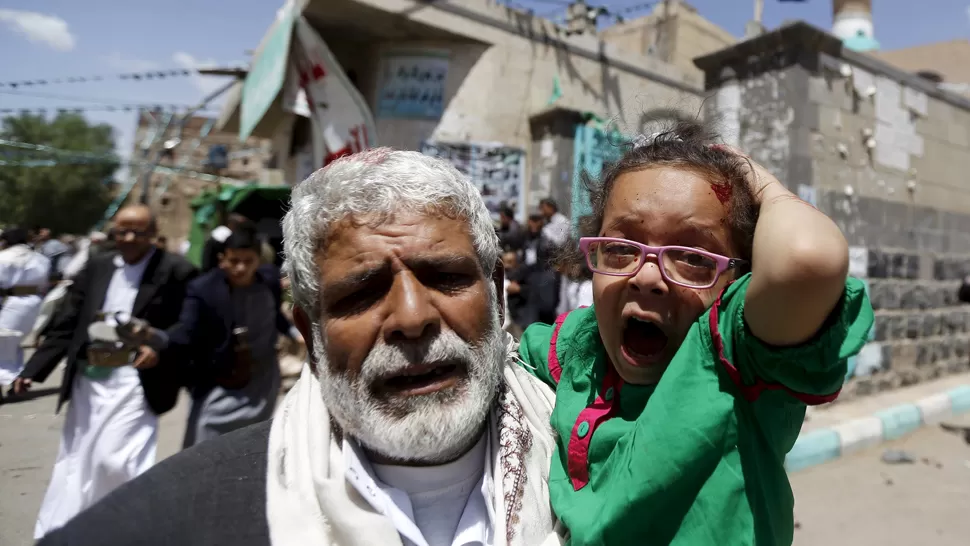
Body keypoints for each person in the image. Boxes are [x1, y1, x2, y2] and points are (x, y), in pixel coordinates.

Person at [37, 148, 565, 546]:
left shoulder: (598, 469)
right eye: (361, 292)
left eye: (445, 277)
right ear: (310, 334)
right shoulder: (171, 519)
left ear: (497, 296)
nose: (411, 319)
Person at [517, 121, 874, 545]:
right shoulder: (581, 341)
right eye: (621, 248)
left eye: (690, 256)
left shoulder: (737, 353)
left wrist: (759, 182)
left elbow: (806, 258)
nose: (647, 276)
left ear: (742, 279)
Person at [15, 205, 197, 539]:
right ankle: (62, 532)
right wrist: (32, 370)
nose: (128, 238)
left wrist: (158, 347)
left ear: (153, 233)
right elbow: (68, 322)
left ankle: (120, 531)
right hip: (90, 378)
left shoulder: (176, 270)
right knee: (76, 458)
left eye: (138, 232)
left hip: (134, 382)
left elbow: (188, 325)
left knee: (117, 461)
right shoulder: (97, 265)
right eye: (121, 231)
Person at [168, 227, 302, 447]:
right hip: (223, 381)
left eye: (248, 261)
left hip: (262, 381)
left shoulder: (267, 281)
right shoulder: (205, 289)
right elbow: (186, 330)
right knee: (204, 442)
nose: (240, 268)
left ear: (258, 259)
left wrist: (294, 333)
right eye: (234, 261)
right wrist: (158, 340)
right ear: (223, 259)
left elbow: (275, 316)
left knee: (251, 442)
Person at [0, 227, 51, 402]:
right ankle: (17, 380)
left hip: (10, 304)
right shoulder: (40, 258)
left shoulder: (5, 257)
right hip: (33, 303)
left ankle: (10, 380)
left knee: (4, 344)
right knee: (13, 345)